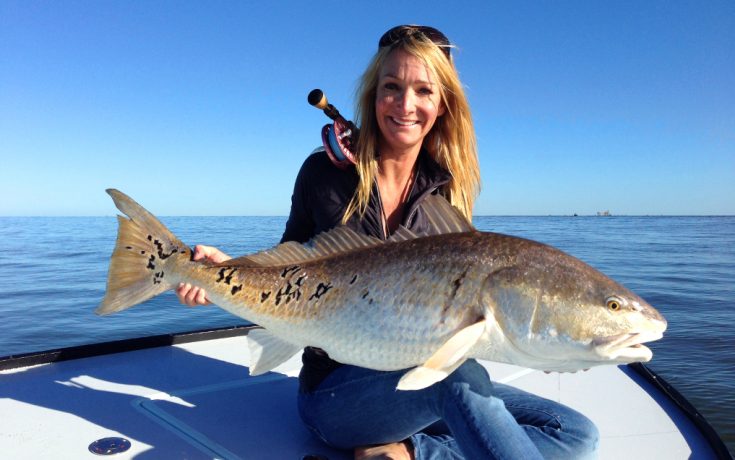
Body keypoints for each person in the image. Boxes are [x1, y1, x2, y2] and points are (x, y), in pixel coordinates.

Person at [177, 25, 599, 460]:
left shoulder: (445, 198)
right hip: (336, 396)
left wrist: (550, 341)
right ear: (373, 95)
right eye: (392, 87)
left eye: (423, 90)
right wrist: (225, 272)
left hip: (419, 382)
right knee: (461, 382)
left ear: (442, 104)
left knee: (573, 433)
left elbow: (472, 327)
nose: (405, 104)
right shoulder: (324, 175)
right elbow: (290, 263)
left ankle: (406, 453)